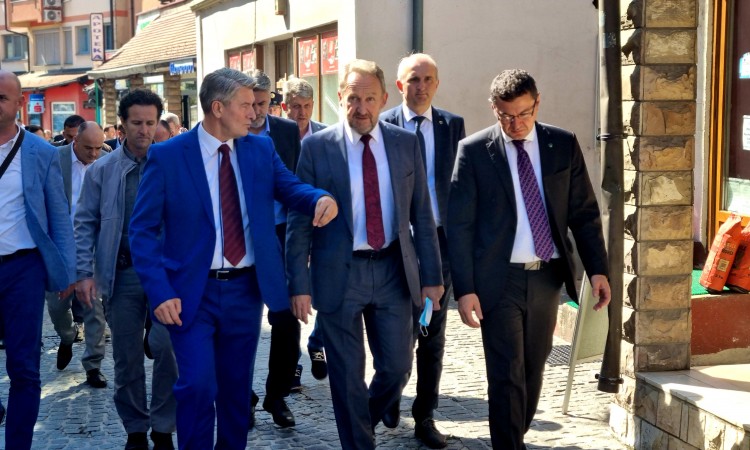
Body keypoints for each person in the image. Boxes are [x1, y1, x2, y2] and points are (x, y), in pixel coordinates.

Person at [128, 67, 337, 450]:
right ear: (219, 108)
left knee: (236, 391)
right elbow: (141, 230)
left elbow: (290, 188)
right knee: (196, 386)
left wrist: (319, 198)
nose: (255, 113)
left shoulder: (260, 149)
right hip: (189, 294)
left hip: (245, 292)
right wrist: (159, 292)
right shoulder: (168, 156)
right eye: (246, 105)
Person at [447, 69, 611, 450]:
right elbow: (459, 226)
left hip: (546, 279)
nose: (515, 124)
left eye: (523, 113)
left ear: (537, 104)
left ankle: (513, 437)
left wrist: (598, 270)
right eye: (506, 116)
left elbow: (584, 213)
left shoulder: (561, 144)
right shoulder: (474, 152)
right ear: (494, 109)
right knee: (507, 374)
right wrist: (465, 290)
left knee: (533, 372)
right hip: (498, 280)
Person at [286, 59, 444, 450]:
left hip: (393, 270)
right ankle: (359, 443)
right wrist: (299, 285)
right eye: (353, 99)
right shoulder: (317, 148)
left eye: (370, 99)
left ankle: (365, 417)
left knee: (398, 366)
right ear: (340, 98)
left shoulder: (405, 144)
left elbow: (422, 216)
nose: (361, 108)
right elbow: (298, 222)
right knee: (346, 375)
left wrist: (432, 278)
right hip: (339, 273)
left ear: (384, 98)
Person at [75, 89, 178, 450]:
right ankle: (136, 428)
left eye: (150, 123)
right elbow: (84, 222)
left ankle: (163, 427)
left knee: (168, 348)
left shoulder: (171, 165)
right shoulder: (102, 170)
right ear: (121, 124)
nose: (144, 130)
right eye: (136, 123)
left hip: (166, 275)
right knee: (126, 357)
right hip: (122, 273)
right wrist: (84, 272)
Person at [380, 52, 465, 449]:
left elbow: (459, 183)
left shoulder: (452, 125)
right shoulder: (383, 126)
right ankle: (390, 393)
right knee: (398, 330)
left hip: (440, 245)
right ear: (400, 85)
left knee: (433, 333)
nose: (422, 86)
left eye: (428, 79)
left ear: (437, 84)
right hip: (397, 244)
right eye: (414, 79)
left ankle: (425, 416)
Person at [0, 70, 75, 449]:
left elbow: (59, 215)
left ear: (19, 103)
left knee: (24, 367)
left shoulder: (41, 153)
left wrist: (67, 272)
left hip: (22, 269)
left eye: (1, 97)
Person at [247, 69, 305, 428]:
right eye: (250, 103)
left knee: (286, 319)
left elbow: (295, 180)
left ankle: (277, 394)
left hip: (281, 233)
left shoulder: (285, 131)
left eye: (262, 103)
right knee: (241, 320)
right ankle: (243, 397)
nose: (255, 111)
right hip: (242, 236)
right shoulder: (231, 129)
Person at [46, 121, 109, 389]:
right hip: (60, 247)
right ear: (75, 141)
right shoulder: (54, 158)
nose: (94, 154)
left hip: (92, 247)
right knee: (57, 306)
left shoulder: (107, 161)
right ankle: (68, 335)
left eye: (98, 147)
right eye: (88, 148)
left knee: (95, 307)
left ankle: (93, 365)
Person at [282, 76, 328, 382]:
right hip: (288, 226)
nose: (302, 113)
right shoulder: (276, 137)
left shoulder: (325, 135)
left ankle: (317, 343)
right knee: (293, 295)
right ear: (285, 106)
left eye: (307, 106)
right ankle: (293, 361)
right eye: (296, 106)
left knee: (326, 289)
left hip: (320, 224)